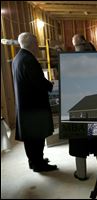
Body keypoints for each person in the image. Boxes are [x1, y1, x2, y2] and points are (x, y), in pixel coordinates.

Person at [12, 32, 58, 172]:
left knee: (31, 138)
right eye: (37, 42)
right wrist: (50, 85)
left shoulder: (18, 58)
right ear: (31, 44)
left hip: (26, 105)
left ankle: (35, 161)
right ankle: (38, 165)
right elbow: (38, 81)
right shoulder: (29, 60)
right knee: (36, 137)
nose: (38, 45)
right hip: (34, 107)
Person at [69, 34, 97, 181]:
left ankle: (81, 174)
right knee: (96, 140)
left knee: (79, 141)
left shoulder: (70, 64)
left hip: (76, 112)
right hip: (93, 112)